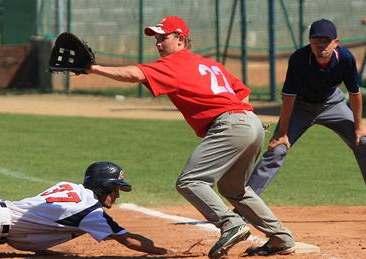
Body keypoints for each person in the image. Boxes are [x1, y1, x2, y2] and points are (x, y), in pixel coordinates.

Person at [86, 16, 295, 258]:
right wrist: (242, 121)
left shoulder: (173, 64)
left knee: (190, 181)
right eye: (156, 38)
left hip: (231, 125)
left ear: (181, 39)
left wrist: (93, 68)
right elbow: (242, 93)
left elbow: (133, 74)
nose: (158, 43)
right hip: (251, 123)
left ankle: (231, 224)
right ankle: (281, 238)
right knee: (234, 188)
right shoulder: (209, 64)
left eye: (163, 37)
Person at [0, 162, 178, 258]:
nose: (117, 194)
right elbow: (128, 239)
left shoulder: (69, 188)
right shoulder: (91, 212)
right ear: (103, 185)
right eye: (115, 187)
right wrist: (168, 252)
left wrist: (43, 247)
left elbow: (42, 221)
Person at [247, 18, 366, 195]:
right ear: (310, 42)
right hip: (300, 106)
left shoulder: (346, 59)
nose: (320, 45)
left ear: (336, 43)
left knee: (363, 142)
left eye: (325, 40)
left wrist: (358, 127)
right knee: (278, 149)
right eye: (316, 40)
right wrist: (282, 133)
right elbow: (289, 98)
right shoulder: (299, 59)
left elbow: (355, 94)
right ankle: (244, 205)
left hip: (332, 104)